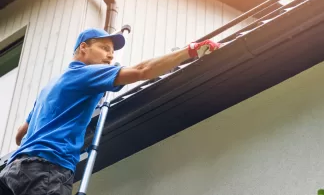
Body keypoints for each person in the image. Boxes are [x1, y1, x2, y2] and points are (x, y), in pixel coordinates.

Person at [0, 28, 220, 195]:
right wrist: (189, 50)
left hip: (13, 172)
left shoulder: (50, 86)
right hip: (47, 171)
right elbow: (142, 70)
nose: (110, 56)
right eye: (104, 48)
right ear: (83, 48)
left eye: (112, 52)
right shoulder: (85, 74)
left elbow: (21, 135)